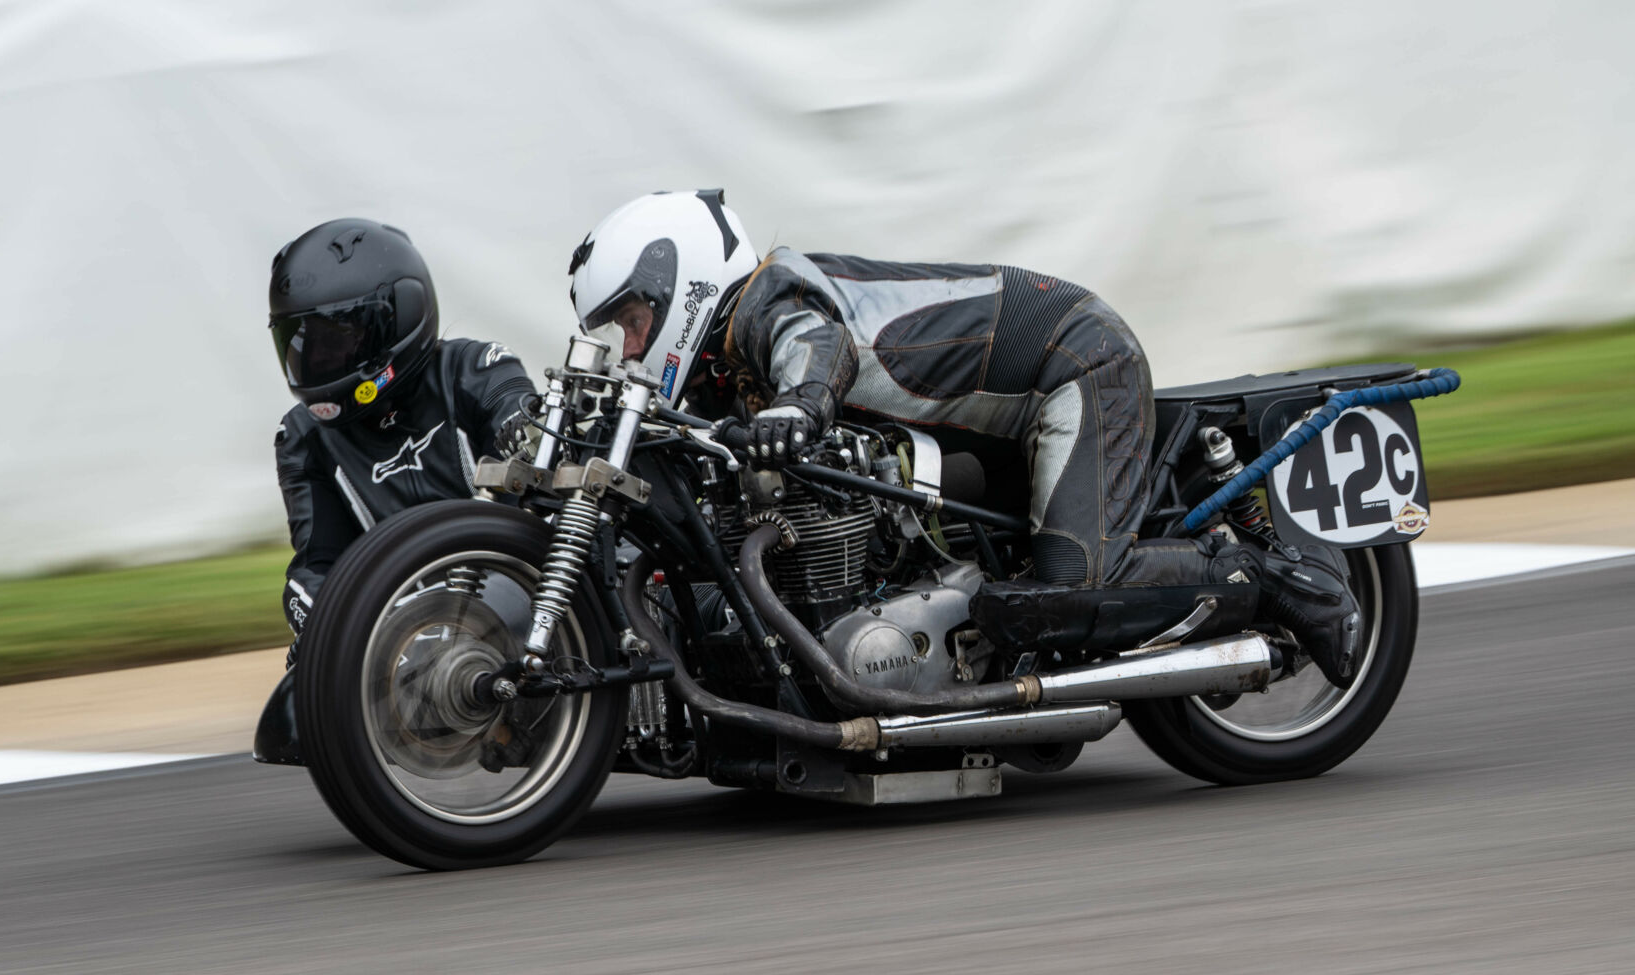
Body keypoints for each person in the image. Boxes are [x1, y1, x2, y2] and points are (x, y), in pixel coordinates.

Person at [565, 190, 1361, 685]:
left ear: (683, 281)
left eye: (634, 322)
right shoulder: (723, 365)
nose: (632, 347)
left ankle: (1280, 584)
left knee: (1069, 591)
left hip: (1073, 360)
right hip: (999, 415)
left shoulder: (771, 302)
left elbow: (819, 347)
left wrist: (800, 407)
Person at [253, 218, 536, 764]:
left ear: (395, 321)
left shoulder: (473, 367)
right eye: (302, 342)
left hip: (520, 582)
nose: (315, 361)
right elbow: (319, 565)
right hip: (415, 618)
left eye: (336, 340)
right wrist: (327, 630)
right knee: (304, 681)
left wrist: (519, 424)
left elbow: (521, 414)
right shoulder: (304, 438)